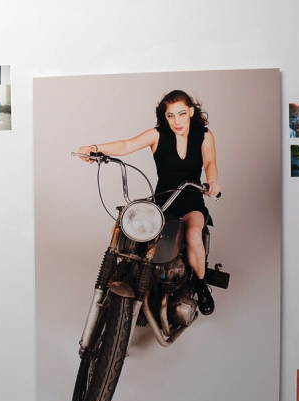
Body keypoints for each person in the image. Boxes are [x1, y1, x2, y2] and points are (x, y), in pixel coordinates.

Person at [77, 90, 219, 314]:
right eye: (171, 115)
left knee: (193, 235)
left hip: (192, 203)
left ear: (191, 112)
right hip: (163, 205)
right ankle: (123, 278)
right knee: (125, 227)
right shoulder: (157, 135)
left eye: (182, 114)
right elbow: (126, 145)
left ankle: (201, 286)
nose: (177, 121)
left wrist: (211, 182)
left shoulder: (204, 135)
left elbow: (210, 161)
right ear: (166, 116)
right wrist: (95, 149)